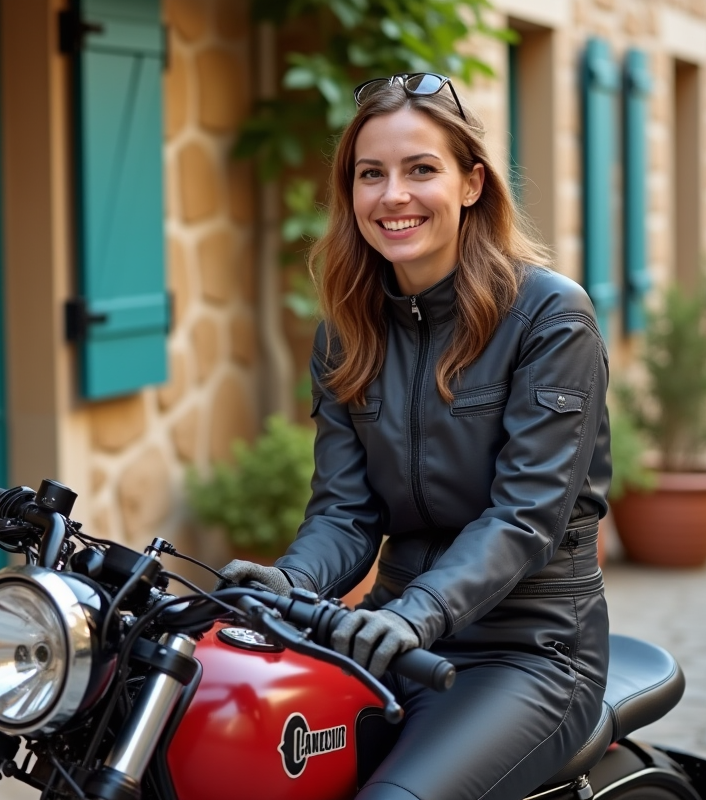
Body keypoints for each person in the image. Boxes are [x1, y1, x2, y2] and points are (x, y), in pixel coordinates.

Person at [220, 73, 610, 800]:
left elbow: (526, 517)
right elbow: (345, 510)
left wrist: (417, 612)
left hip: (529, 652)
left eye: (420, 169)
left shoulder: (550, 317)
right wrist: (291, 581)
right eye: (372, 174)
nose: (393, 195)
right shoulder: (347, 329)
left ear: (471, 185)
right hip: (392, 631)